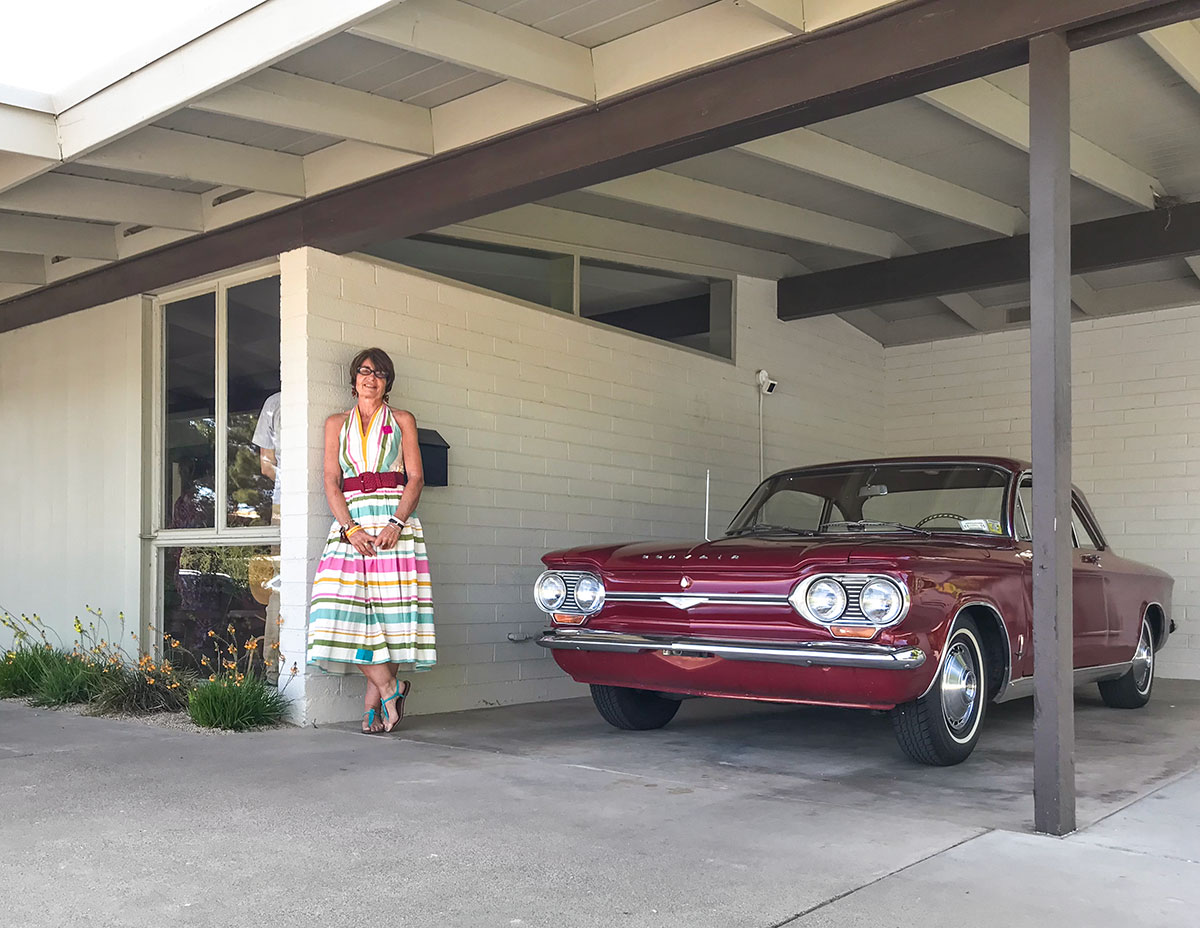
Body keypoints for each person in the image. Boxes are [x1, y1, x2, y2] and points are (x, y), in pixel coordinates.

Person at [306, 348, 436, 734]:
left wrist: (398, 521)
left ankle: (371, 707)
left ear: (387, 382)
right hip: (352, 524)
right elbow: (330, 481)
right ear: (353, 379)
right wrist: (349, 527)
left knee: (389, 617)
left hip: (395, 524)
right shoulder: (336, 423)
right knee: (335, 613)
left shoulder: (401, 420)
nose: (371, 378)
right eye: (364, 371)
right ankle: (391, 687)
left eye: (379, 373)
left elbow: (416, 478)